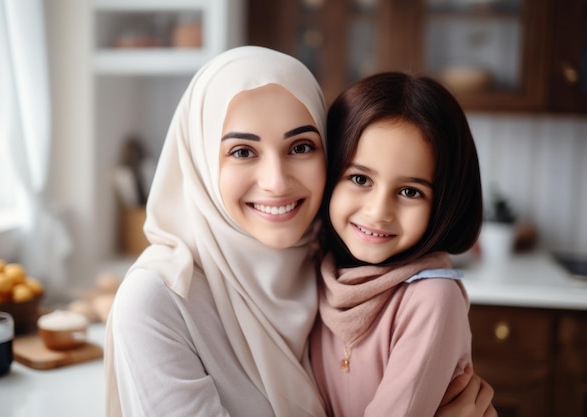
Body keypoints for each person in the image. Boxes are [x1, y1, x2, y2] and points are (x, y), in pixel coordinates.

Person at [104, 46, 496, 417]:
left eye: (301, 147)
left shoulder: (321, 267)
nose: (276, 182)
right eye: (243, 152)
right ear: (201, 160)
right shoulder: (157, 302)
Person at [310, 71, 488, 417]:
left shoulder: (430, 299)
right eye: (360, 178)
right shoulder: (319, 269)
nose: (378, 212)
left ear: (444, 203)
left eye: (410, 191)